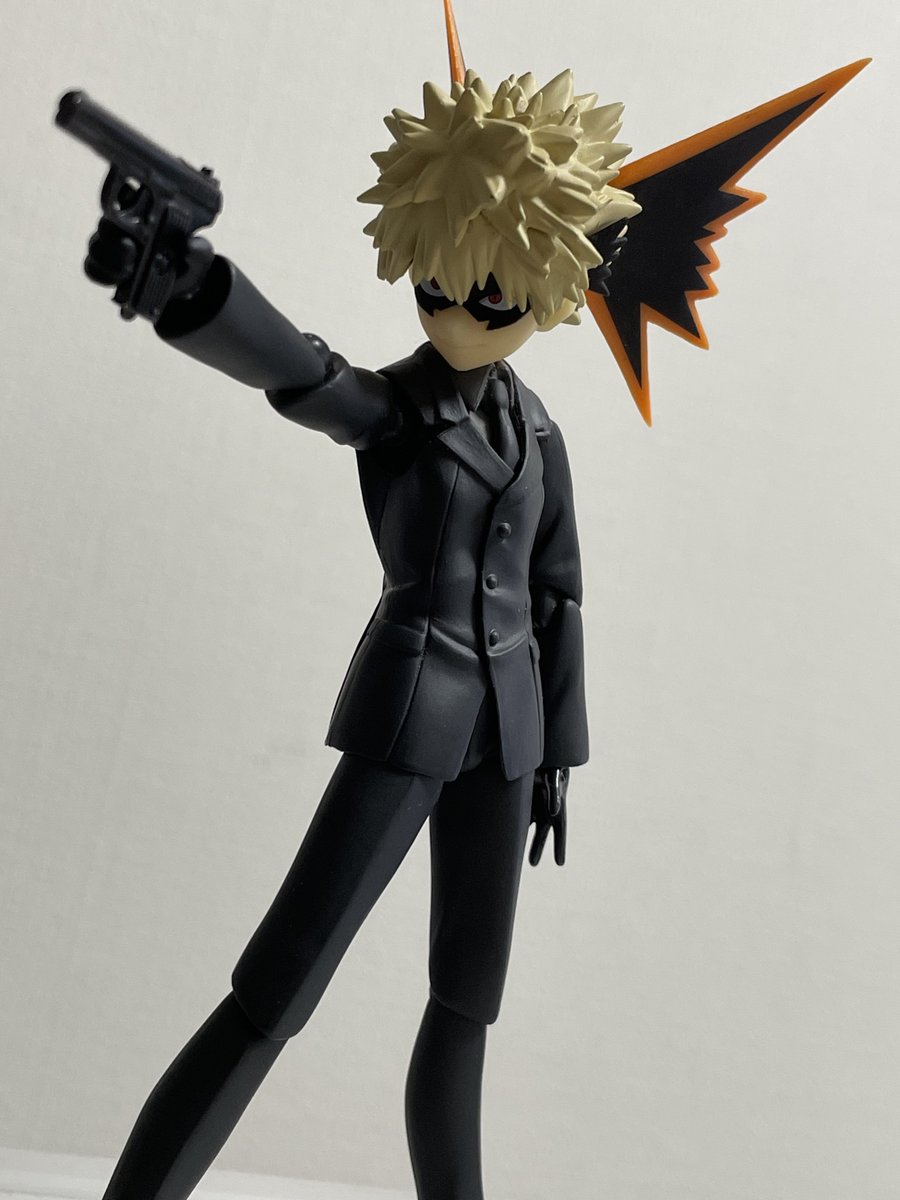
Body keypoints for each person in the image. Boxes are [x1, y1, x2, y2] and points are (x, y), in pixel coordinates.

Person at [81, 58, 638, 1200]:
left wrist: (558, 755)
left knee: (467, 1002)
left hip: (508, 738)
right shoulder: (398, 409)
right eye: (438, 285)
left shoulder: (540, 432)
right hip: (407, 717)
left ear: (553, 291)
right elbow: (306, 375)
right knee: (277, 988)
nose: (457, 312)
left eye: (493, 297)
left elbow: (558, 592)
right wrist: (190, 292)